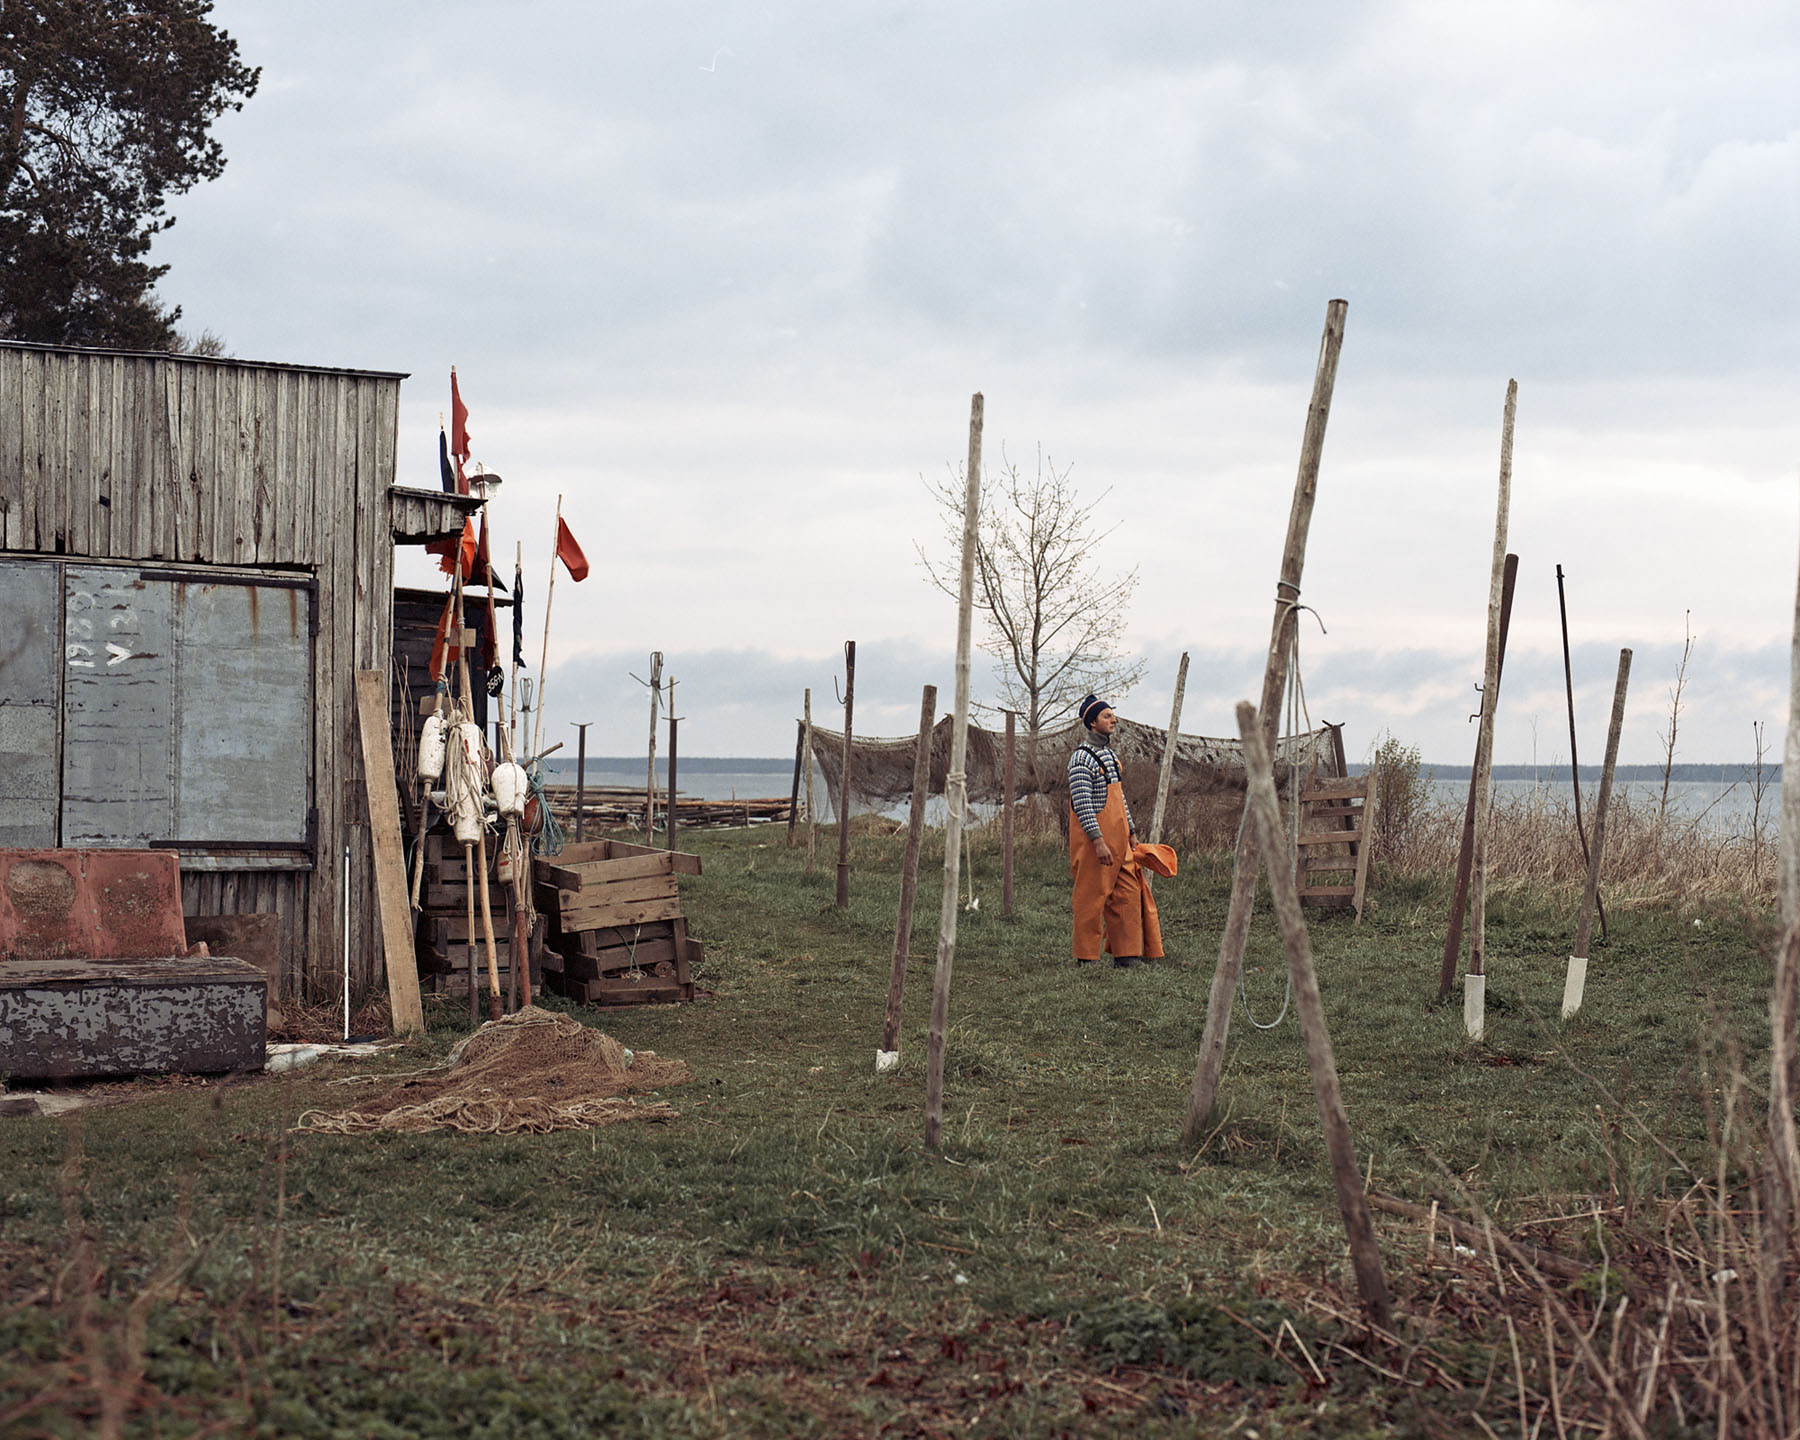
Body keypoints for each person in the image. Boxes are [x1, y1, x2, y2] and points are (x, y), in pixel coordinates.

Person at [1067, 694, 1164, 968]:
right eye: (1107, 716)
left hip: (1121, 839)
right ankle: (1086, 957)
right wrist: (1098, 841)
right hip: (1093, 841)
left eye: (1112, 715)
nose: (1114, 720)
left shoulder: (1110, 757)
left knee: (1128, 894)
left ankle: (1127, 954)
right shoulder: (1080, 760)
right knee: (1091, 896)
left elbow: (1120, 798)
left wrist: (1131, 831)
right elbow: (1083, 804)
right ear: (1092, 722)